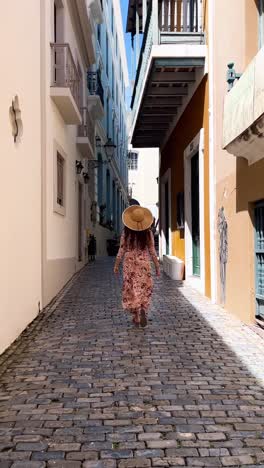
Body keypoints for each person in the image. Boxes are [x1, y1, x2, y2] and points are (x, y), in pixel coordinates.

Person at [114, 206, 160, 328]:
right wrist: (157, 266)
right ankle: (142, 308)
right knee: (143, 287)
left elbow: (122, 249)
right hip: (143, 263)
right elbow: (152, 250)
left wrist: (117, 265)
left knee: (131, 289)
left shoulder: (126, 233)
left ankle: (136, 316)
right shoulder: (148, 233)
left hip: (129, 263)